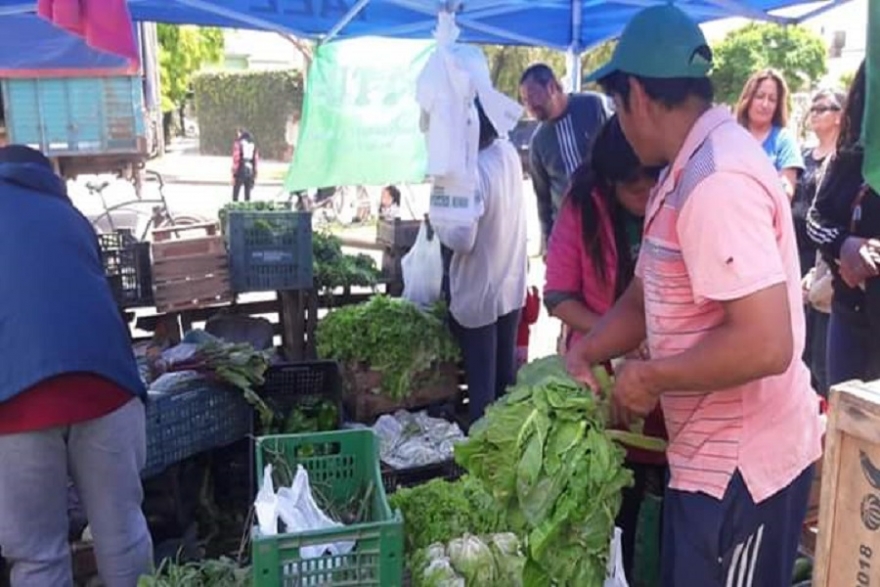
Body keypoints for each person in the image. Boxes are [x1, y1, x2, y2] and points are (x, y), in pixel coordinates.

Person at [568, 6, 823, 587]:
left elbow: (767, 343)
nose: (620, 124)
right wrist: (587, 351)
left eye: (616, 106)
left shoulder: (716, 179)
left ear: (636, 94)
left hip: (742, 470)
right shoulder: (679, 172)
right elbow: (645, 295)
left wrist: (652, 377)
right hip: (704, 461)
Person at [0, 145, 152, 586]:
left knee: (38, 557)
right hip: (107, 387)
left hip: (16, 403)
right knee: (123, 535)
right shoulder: (70, 216)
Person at [544, 114, 666, 579]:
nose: (646, 197)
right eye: (635, 189)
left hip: (668, 382)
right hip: (600, 378)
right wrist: (614, 341)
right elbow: (558, 295)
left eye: (652, 184)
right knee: (613, 510)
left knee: (666, 511)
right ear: (610, 182)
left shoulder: (676, 203)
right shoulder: (583, 205)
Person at [435, 100, 527, 423]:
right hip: (509, 285)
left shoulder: (470, 172)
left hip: (480, 293)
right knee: (504, 385)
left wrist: (438, 221)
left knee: (482, 395)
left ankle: (483, 447)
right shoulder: (508, 153)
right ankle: (506, 445)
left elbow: (463, 238)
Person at [807, 61, 880, 385]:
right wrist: (843, 245)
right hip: (849, 316)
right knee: (842, 405)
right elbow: (816, 217)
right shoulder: (849, 155)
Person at [519, 64, 611, 249]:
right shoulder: (539, 142)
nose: (530, 107)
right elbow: (543, 199)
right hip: (569, 237)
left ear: (552, 87)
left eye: (533, 96)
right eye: (525, 101)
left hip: (608, 221)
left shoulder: (592, 106)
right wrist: (548, 240)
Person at [794, 88, 845, 396]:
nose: (814, 113)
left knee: (827, 371)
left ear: (841, 115)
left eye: (823, 108)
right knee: (808, 359)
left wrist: (817, 282)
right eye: (813, 108)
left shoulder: (844, 161)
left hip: (830, 271)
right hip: (806, 264)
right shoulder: (804, 156)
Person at [735, 69, 804, 199]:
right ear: (748, 99)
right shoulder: (729, 136)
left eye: (772, 99)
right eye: (760, 96)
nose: (765, 104)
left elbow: (787, 191)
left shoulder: (784, 140)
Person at [231, 128, 258, 202]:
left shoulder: (239, 144)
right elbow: (255, 159)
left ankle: (235, 206)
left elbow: (236, 158)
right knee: (247, 192)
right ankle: (247, 206)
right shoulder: (253, 145)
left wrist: (234, 173)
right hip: (250, 169)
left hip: (241, 168)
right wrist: (255, 172)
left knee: (236, 191)